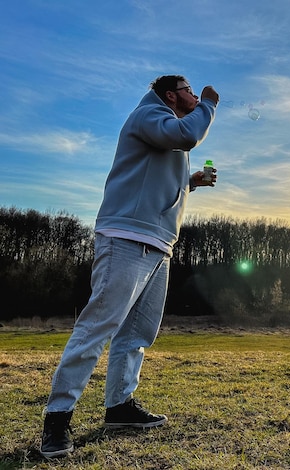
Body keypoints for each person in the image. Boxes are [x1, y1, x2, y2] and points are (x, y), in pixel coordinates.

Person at [40, 75, 220, 459]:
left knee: (137, 332)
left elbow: (152, 178)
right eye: (189, 88)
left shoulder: (162, 127)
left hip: (158, 243)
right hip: (125, 238)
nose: (194, 92)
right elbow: (188, 136)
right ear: (172, 95)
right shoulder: (149, 116)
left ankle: (120, 407)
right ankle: (57, 419)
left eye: (195, 91)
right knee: (97, 327)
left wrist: (191, 182)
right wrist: (208, 104)